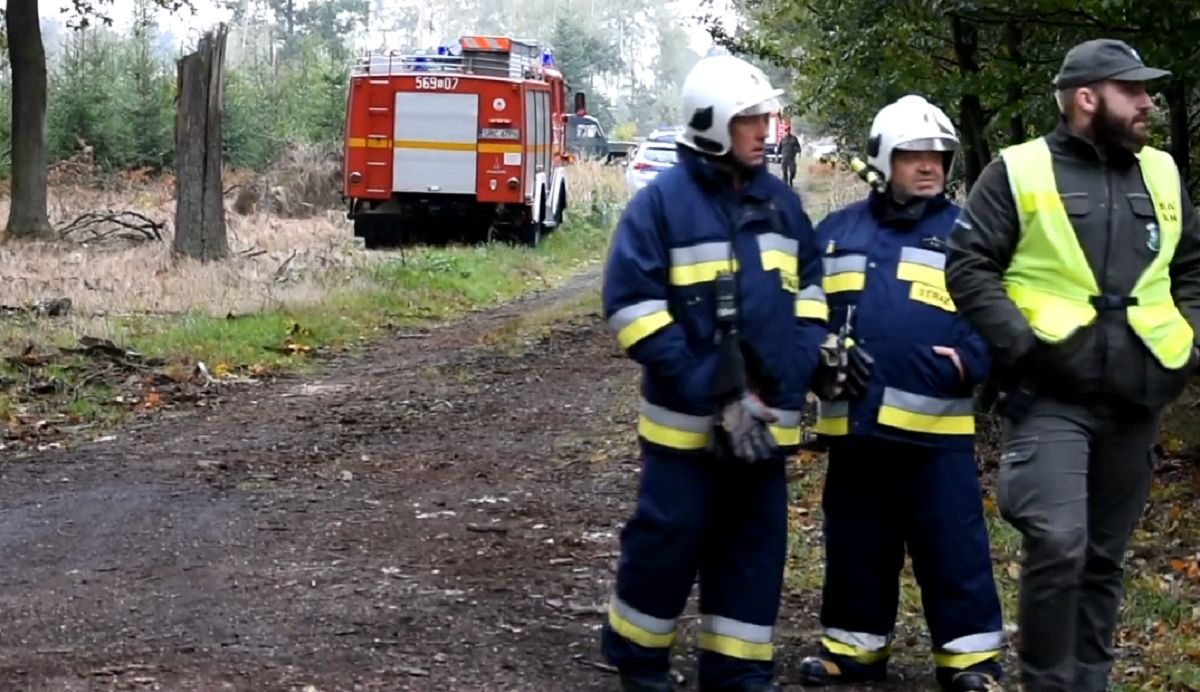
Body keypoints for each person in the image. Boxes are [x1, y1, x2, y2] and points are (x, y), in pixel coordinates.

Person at [945, 38, 1200, 691]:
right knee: (1059, 542)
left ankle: (1090, 682)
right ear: (1088, 99)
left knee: (1103, 560)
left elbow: (1192, 268)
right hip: (1050, 398)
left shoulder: (1164, 173)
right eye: (1133, 90)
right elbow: (969, 266)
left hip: (1136, 398)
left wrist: (1191, 340)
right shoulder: (1019, 170)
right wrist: (1021, 348)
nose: (1148, 103)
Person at [599, 54, 831, 692]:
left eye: (766, 117)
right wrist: (709, 383)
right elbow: (631, 307)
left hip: (767, 429)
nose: (765, 130)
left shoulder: (783, 206)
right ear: (711, 126)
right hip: (685, 434)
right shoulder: (661, 207)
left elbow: (812, 293)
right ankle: (637, 657)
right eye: (749, 119)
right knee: (668, 544)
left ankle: (737, 672)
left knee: (753, 554)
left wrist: (799, 360)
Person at [795, 94, 1005, 692]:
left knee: (953, 548)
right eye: (914, 155)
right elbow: (803, 311)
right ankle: (852, 652)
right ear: (883, 161)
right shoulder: (834, 235)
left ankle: (969, 663)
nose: (929, 167)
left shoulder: (969, 235)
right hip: (856, 431)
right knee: (858, 543)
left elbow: (997, 308)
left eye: (939, 156)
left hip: (936, 436)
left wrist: (971, 359)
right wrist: (817, 357)